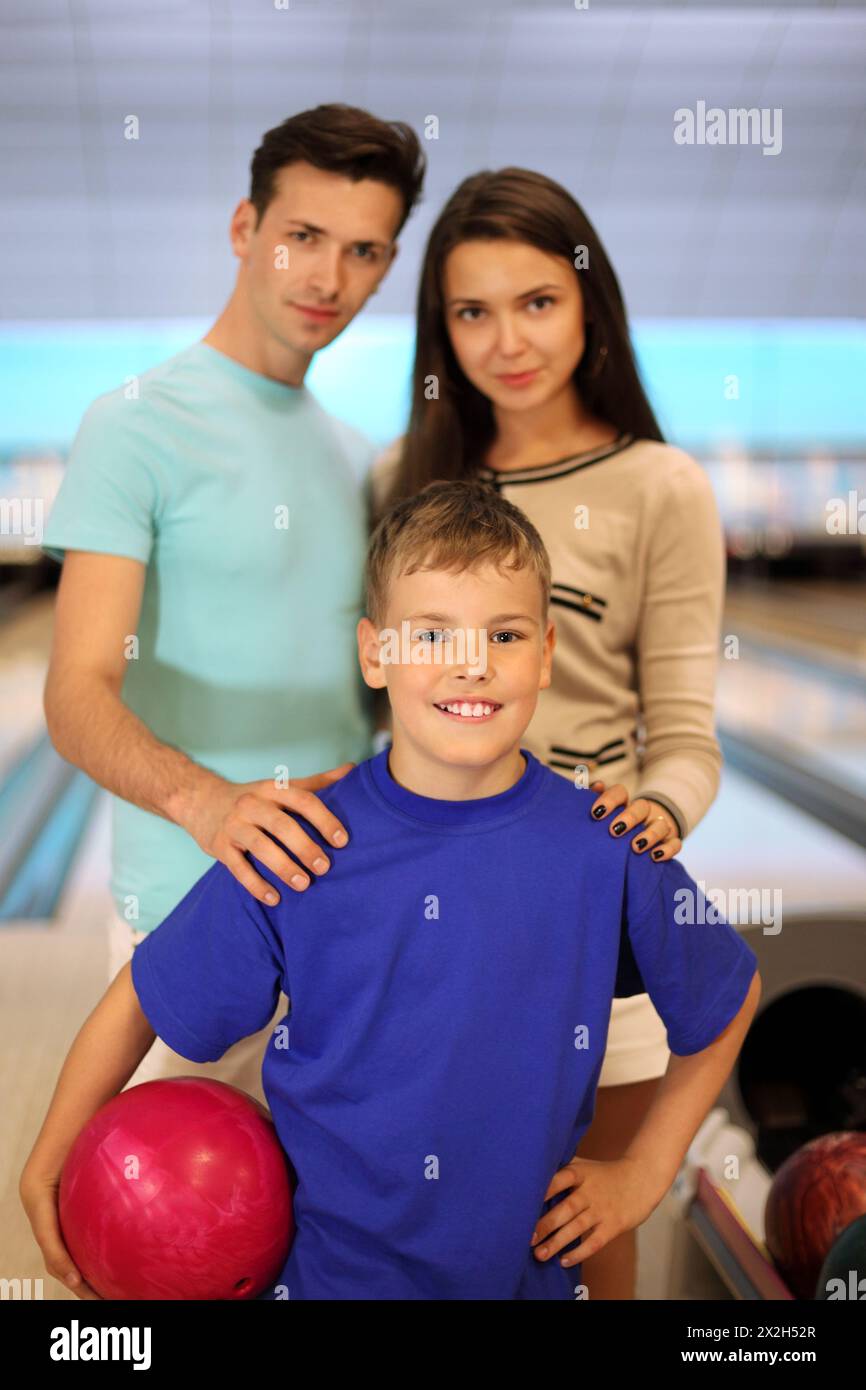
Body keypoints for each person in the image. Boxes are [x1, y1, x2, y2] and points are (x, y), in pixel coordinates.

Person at [20, 478, 761, 1301]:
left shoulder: (604, 843)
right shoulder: (306, 840)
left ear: (547, 653)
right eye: (432, 634)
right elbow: (144, 994)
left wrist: (643, 1174)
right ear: (375, 654)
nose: (472, 662)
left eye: (505, 634)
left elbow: (727, 996)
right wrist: (50, 1159)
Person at [367, 167, 728, 1298]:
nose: (505, 339)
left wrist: (655, 815)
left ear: (588, 307)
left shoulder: (659, 487)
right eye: (470, 311)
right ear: (440, 329)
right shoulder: (402, 476)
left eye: (537, 300)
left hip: (592, 912)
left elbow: (682, 732)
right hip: (422, 909)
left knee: (582, 1225)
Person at [39, 105, 425, 1099]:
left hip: (345, 919)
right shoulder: (135, 426)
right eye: (302, 236)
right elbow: (75, 694)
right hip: (190, 913)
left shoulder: (351, 457)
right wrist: (208, 805)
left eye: (362, 250)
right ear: (244, 228)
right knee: (190, 1246)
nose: (327, 278)